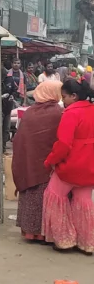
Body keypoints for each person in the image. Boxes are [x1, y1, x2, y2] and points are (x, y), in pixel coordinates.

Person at [42, 79, 94, 253]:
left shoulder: (71, 113)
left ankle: (64, 240)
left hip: (70, 166)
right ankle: (87, 242)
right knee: (84, 202)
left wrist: (50, 160)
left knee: (54, 197)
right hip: (90, 165)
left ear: (74, 96)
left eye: (64, 97)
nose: (63, 101)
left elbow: (63, 144)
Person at [12, 81, 63, 242]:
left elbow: (20, 139)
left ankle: (29, 231)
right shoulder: (58, 112)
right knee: (44, 197)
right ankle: (43, 232)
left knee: (30, 196)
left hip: (29, 162)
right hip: (48, 165)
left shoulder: (29, 112)